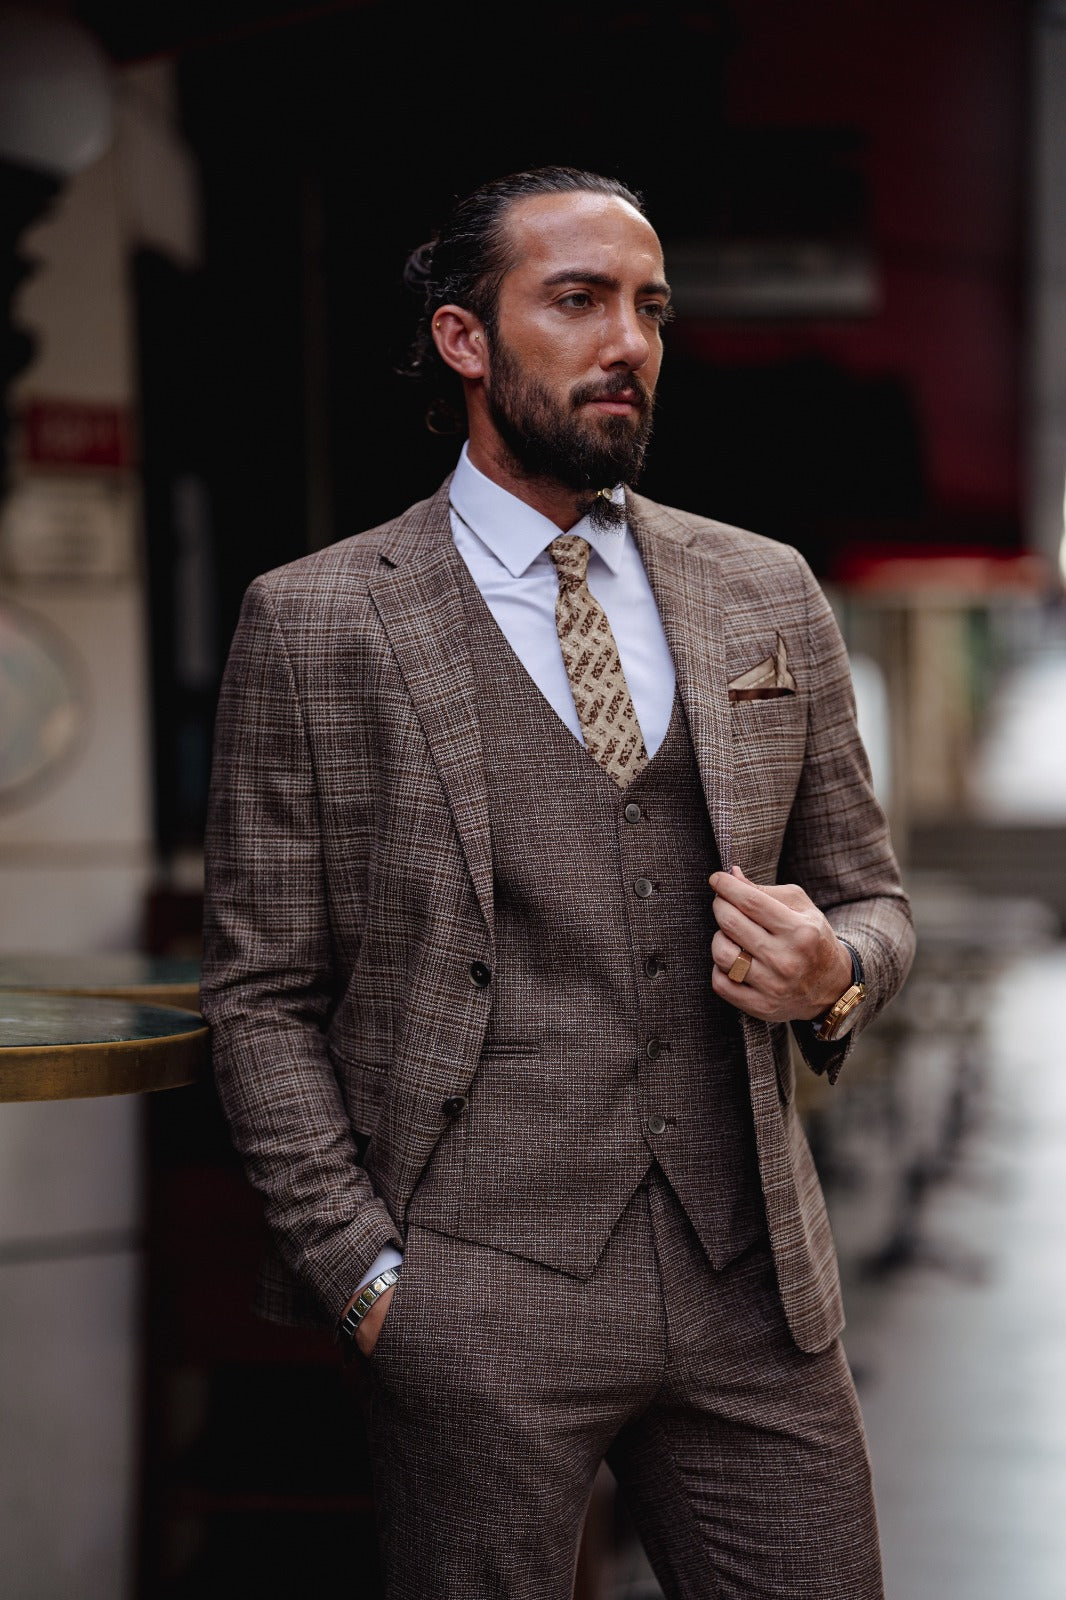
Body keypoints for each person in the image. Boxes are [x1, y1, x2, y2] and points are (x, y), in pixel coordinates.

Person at [200, 165, 915, 1600]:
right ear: (466, 339)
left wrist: (834, 971)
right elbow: (262, 992)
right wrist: (370, 1279)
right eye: (577, 301)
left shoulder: (763, 589)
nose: (627, 343)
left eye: (648, 307)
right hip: (471, 1291)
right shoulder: (317, 619)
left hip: (750, 1287)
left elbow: (873, 899)